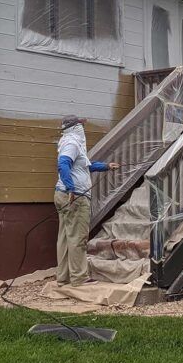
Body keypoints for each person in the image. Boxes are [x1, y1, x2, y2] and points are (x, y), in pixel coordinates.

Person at [54, 115, 120, 286]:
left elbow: (85, 166)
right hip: (75, 197)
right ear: (75, 127)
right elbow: (63, 164)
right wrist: (71, 188)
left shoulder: (68, 142)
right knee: (78, 237)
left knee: (65, 237)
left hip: (63, 195)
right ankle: (79, 278)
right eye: (81, 125)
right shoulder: (73, 143)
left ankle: (63, 277)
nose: (84, 128)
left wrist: (106, 166)